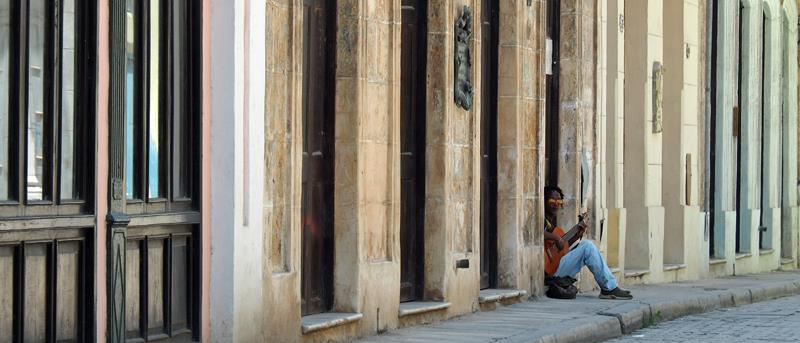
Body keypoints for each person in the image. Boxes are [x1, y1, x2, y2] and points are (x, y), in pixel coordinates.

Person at [543, 185, 632, 300]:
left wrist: (577, 235)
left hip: (556, 268)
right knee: (588, 246)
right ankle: (609, 288)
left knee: (586, 245)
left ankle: (609, 287)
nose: (555, 204)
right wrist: (555, 237)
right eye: (551, 200)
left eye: (558, 201)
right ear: (544, 201)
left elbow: (561, 249)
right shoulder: (540, 220)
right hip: (549, 273)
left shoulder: (552, 223)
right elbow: (532, 235)